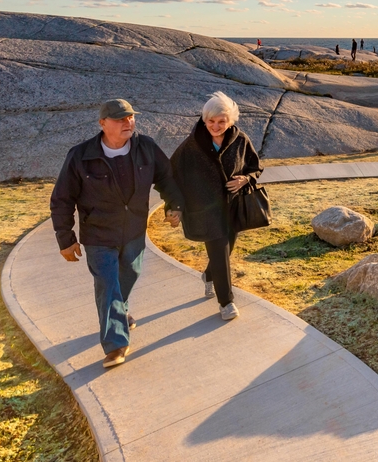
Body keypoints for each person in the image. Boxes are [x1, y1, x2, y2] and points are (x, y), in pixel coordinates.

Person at [50, 99, 185, 368]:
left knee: (127, 277)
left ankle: (120, 312)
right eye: (120, 119)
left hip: (134, 231)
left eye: (131, 117)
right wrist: (66, 238)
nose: (128, 123)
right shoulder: (80, 155)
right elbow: (62, 198)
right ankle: (116, 346)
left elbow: (167, 177)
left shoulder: (145, 147)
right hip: (98, 235)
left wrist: (174, 205)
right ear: (102, 123)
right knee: (107, 285)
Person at [170, 92, 263, 322]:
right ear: (204, 119)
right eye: (211, 121)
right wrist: (175, 206)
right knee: (220, 252)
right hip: (205, 211)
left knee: (226, 248)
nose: (216, 126)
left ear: (230, 121)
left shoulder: (241, 140)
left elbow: (255, 167)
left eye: (221, 121)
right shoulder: (191, 145)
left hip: (233, 207)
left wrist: (245, 179)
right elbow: (171, 174)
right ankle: (226, 302)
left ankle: (209, 275)